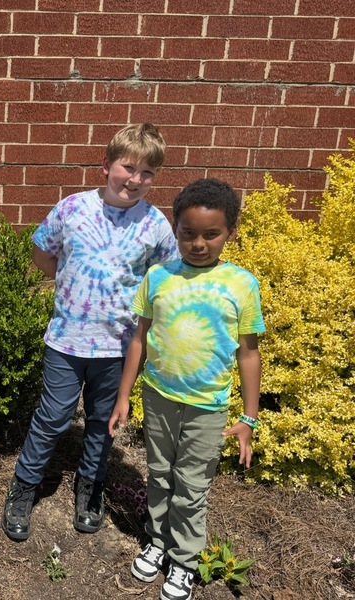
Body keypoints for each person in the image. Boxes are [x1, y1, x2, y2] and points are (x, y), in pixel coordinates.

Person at [1, 123, 180, 541]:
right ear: (106, 165)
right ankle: (24, 486)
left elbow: (166, 279)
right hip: (67, 340)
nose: (135, 179)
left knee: (104, 422)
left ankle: (91, 486)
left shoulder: (155, 225)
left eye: (147, 173)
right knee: (53, 416)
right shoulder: (72, 208)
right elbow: (43, 252)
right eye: (127, 167)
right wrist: (68, 285)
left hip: (119, 345)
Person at [108, 178, 265, 600]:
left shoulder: (241, 285)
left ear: (230, 232)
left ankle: (183, 560)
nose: (198, 243)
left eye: (211, 234)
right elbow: (139, 339)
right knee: (159, 475)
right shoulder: (158, 277)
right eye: (188, 233)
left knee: (192, 487)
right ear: (174, 229)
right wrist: (124, 396)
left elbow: (248, 354)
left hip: (206, 409)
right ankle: (158, 541)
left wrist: (248, 418)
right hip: (158, 399)